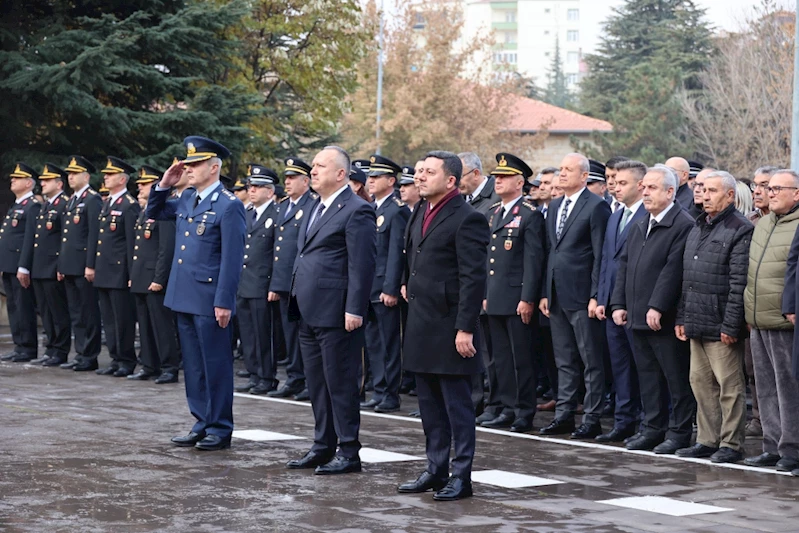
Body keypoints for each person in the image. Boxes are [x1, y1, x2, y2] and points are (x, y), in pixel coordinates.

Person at [399, 150, 489, 501]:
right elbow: (414, 256)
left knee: (457, 405)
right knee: (429, 405)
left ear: (450, 180)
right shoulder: (421, 209)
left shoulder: (467, 218)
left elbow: (473, 277)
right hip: (422, 321)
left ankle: (461, 475)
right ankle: (435, 468)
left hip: (450, 326)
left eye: (429, 172)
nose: (420, 177)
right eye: (419, 171)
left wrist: (465, 327)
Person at [147, 136, 246, 451]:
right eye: (187, 163)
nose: (188, 168)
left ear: (214, 167)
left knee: (215, 364)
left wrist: (224, 301)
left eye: (195, 164)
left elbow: (232, 259)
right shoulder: (188, 199)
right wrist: (164, 184)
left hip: (208, 299)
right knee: (192, 364)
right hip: (184, 294)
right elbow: (155, 211)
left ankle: (220, 427)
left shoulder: (229, 205)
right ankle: (201, 422)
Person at [286, 146, 376, 475]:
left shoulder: (357, 210)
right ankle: (323, 445)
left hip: (338, 312)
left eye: (321, 166)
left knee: (340, 383)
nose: (313, 170)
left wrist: (355, 308)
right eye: (313, 165)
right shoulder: (314, 206)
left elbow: (362, 265)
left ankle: (349, 450)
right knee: (317, 383)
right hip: (308, 308)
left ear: (341, 174)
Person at [611, 165, 696, 454]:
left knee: (675, 378)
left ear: (670, 192)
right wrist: (618, 303)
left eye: (652, 188)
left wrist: (656, 306)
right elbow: (624, 265)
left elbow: (673, 271)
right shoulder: (641, 222)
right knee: (647, 377)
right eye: (644, 187)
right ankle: (652, 428)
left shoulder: (682, 224)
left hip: (663, 318)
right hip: (635, 315)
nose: (645, 192)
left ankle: (680, 432)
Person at [675, 171, 752, 463]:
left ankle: (730, 444)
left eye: (712, 191)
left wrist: (731, 325)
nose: (704, 196)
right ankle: (707, 439)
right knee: (701, 383)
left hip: (721, 323)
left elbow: (738, 283)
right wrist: (682, 316)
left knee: (729, 387)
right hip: (696, 319)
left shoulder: (740, 228)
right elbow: (688, 279)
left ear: (730, 195)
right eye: (702, 189)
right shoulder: (698, 225)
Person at [538, 153, 611, 439]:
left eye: (569, 170)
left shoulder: (596, 207)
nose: (562, 174)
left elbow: (599, 255)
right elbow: (551, 251)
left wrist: (596, 295)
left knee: (591, 360)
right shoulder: (555, 205)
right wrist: (545, 292)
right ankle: (564, 415)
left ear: (584, 177)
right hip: (556, 294)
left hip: (582, 296)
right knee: (564, 360)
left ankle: (591, 418)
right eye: (561, 169)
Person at [481, 153, 545, 433]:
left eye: (504, 177)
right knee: (502, 358)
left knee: (521, 359)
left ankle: (523, 411)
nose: (497, 181)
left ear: (520, 182)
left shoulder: (529, 215)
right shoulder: (495, 212)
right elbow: (488, 259)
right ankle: (506, 407)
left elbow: (533, 261)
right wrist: (484, 292)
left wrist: (527, 298)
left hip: (517, 298)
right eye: (496, 177)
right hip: (495, 297)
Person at [743, 170, 799, 472]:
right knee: (764, 387)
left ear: (797, 194)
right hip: (758, 317)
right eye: (766, 187)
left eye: (778, 188)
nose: (770, 192)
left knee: (788, 388)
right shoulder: (762, 224)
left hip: (785, 320)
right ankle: (772, 444)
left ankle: (792, 447)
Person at [595, 160, 648, 442]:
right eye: (613, 181)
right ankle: (623, 420)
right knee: (620, 366)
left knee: (642, 367)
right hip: (613, 304)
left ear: (640, 185)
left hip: (633, 305)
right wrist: (602, 297)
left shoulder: (645, 216)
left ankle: (645, 421)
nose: (615, 187)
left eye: (622, 182)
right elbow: (607, 259)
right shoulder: (616, 215)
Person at [361, 155, 410, 413]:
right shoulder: (372, 208)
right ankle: (379, 390)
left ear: (391, 181)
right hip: (369, 287)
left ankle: (391, 393)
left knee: (390, 343)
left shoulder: (397, 210)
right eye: (369, 177)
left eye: (376, 177)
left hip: (384, 288)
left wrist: (391, 288)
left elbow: (396, 253)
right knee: (374, 343)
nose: (370, 181)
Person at [267, 157, 315, 401]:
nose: (287, 182)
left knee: (303, 334)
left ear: (306, 181)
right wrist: (275, 283)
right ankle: (294, 377)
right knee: (289, 334)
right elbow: (277, 249)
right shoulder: (282, 206)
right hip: (283, 282)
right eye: (286, 178)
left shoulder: (311, 206)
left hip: (300, 282)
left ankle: (307, 378)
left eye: (292, 178)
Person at [128, 165, 180, 384]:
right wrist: (134, 275)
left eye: (144, 184)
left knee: (161, 325)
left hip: (154, 279)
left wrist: (159, 279)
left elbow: (165, 249)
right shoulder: (146, 210)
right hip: (141, 277)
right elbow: (140, 248)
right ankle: (149, 365)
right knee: (145, 326)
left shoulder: (164, 211)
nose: (139, 188)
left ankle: (169, 367)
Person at [93, 157, 141, 377]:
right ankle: (115, 358)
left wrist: (131, 273)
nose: (105, 177)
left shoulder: (129, 206)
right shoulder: (108, 203)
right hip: (104, 270)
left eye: (110, 175)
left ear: (122, 179)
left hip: (119, 272)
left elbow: (131, 243)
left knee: (122, 319)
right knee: (109, 320)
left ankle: (126, 360)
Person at [236, 164, 280, 395]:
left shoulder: (277, 215)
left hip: (263, 284)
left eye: (257, 187)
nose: (251, 190)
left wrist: (274, 285)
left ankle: (266, 377)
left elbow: (277, 254)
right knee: (248, 334)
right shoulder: (246, 213)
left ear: (270, 192)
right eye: (250, 186)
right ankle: (254, 374)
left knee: (264, 335)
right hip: (244, 283)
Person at [58, 156, 103, 371]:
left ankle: (90, 355)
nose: (70, 177)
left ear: (86, 176)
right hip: (70, 265)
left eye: (75, 174)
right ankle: (80, 353)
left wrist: (91, 264)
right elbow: (66, 237)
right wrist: (61, 265)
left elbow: (94, 234)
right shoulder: (72, 200)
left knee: (88, 312)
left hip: (83, 265)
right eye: (69, 174)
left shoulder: (92, 199)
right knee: (76, 313)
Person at [26, 164, 71, 367]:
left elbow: (65, 239)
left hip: (53, 267)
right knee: (46, 311)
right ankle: (51, 348)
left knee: (57, 311)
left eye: (47, 180)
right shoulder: (46, 205)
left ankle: (60, 350)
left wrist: (60, 265)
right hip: (40, 267)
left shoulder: (64, 204)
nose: (42, 183)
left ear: (59, 183)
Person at [0, 163, 41, 362]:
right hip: (9, 264)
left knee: (23, 306)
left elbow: (29, 238)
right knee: (14, 307)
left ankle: (28, 347)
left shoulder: (32, 205)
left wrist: (24, 266)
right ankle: (19, 346)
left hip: (19, 265)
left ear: (28, 183)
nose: (12, 180)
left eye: (17, 178)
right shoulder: (17, 205)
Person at [459, 151, 499, 217]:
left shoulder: (498, 197)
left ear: (476, 174)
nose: (457, 182)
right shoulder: (456, 198)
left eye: (460, 177)